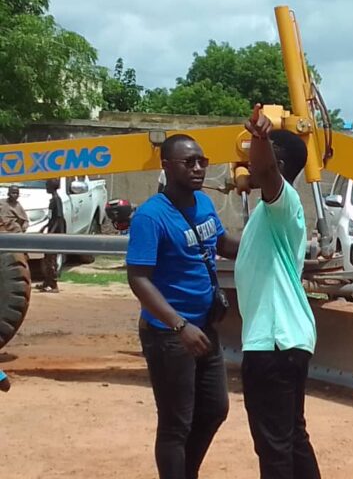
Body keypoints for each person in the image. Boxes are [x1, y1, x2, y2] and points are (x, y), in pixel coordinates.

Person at [126, 133, 240, 479]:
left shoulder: (203, 203)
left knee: (216, 408)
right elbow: (139, 279)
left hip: (204, 326)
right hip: (170, 335)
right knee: (176, 422)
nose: (198, 168)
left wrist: (263, 246)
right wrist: (179, 326)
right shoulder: (150, 217)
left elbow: (220, 242)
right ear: (166, 167)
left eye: (202, 161)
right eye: (188, 162)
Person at [235, 106, 321, 479]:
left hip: (273, 343)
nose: (248, 167)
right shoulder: (267, 215)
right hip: (284, 342)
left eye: (255, 161)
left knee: (273, 447)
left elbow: (266, 172)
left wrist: (259, 137)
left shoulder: (281, 203)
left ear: (278, 163)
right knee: (290, 439)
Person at [38, 179, 65, 293]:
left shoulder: (57, 200)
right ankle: (46, 282)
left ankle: (53, 284)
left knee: (51, 259)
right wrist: (45, 227)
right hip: (51, 231)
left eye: (47, 185)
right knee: (47, 258)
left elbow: (58, 219)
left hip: (55, 234)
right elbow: (51, 218)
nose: (45, 187)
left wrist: (51, 233)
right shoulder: (52, 200)